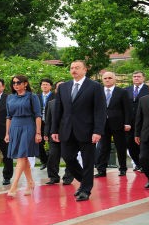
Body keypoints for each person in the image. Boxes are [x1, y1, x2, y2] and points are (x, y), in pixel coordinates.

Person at [51, 60, 106, 201]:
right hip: (66, 130)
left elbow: (100, 110)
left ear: (85, 69)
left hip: (87, 131)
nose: (74, 70)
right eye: (71, 68)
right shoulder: (64, 87)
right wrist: (54, 130)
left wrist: (98, 131)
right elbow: (58, 110)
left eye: (77, 68)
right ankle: (84, 181)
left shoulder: (95, 87)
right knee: (68, 157)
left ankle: (85, 190)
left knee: (88, 161)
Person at [4, 75, 42, 196]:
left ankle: (14, 186)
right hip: (14, 127)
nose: (15, 85)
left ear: (25, 83)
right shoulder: (10, 97)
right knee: (23, 157)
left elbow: (38, 115)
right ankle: (30, 182)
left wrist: (38, 132)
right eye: (13, 83)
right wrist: (7, 133)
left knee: (21, 156)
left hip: (28, 127)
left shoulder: (32, 96)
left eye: (18, 82)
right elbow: (8, 116)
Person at [95, 72, 132, 177]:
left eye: (110, 78)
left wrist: (127, 123)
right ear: (102, 80)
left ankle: (123, 168)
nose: (107, 80)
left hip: (118, 124)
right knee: (103, 147)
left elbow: (127, 109)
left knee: (120, 147)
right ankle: (101, 170)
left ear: (114, 79)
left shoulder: (122, 92)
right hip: (102, 124)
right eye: (105, 78)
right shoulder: (98, 92)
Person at [44, 81, 74, 185]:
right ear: (56, 90)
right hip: (54, 134)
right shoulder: (51, 103)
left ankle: (68, 177)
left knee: (69, 156)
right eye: (58, 87)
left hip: (69, 134)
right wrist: (46, 133)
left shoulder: (73, 102)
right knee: (53, 156)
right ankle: (53, 177)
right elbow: (48, 120)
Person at [124, 71, 149, 171]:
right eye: (134, 76)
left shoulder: (148, 89)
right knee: (130, 144)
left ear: (143, 78)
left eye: (138, 76)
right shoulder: (127, 90)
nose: (136, 78)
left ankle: (145, 165)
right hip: (130, 122)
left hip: (144, 121)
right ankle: (137, 163)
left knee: (143, 144)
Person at [37, 78, 55, 170]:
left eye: (46, 84)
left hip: (51, 123)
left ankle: (52, 163)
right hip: (40, 123)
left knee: (52, 144)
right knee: (39, 143)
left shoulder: (54, 96)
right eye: (43, 84)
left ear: (50, 86)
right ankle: (44, 161)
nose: (44, 86)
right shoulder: (37, 96)